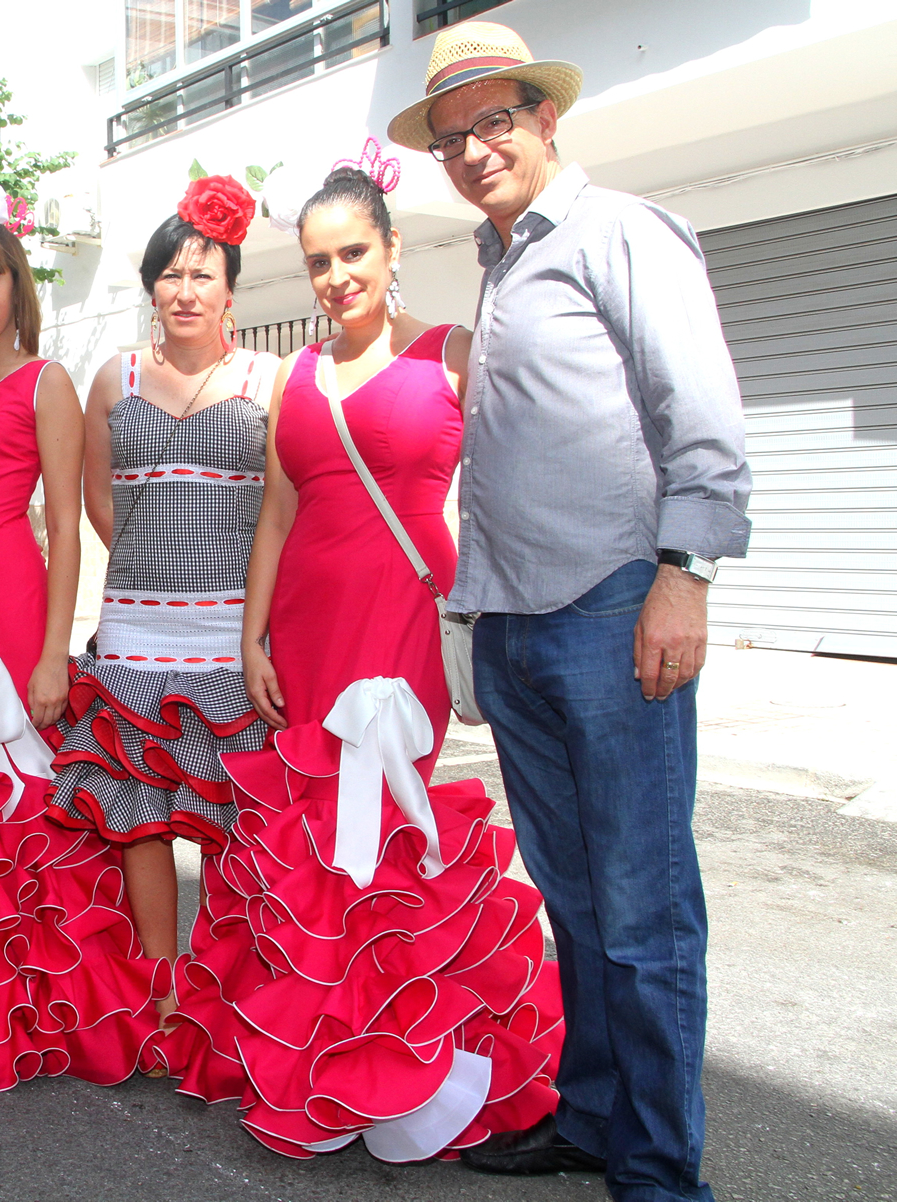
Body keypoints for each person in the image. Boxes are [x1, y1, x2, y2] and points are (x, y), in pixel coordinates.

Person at [386, 22, 751, 1200]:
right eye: (452, 137)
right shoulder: (500, 268)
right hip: (518, 625)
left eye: (495, 121)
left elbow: (699, 414)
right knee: (580, 902)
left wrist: (684, 573)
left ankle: (660, 1171)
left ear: (545, 117)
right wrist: (475, 627)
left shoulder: (620, 232)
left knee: (645, 912)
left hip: (612, 609)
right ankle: (595, 1119)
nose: (475, 149)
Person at [168, 162, 564, 1163]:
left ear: (390, 250)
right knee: (306, 838)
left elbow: (517, 481)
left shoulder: (453, 352)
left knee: (386, 836)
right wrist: (250, 634)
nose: (337, 275)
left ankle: (405, 1066)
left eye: (353, 253)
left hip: (403, 627)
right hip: (305, 630)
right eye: (318, 261)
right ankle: (317, 1066)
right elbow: (278, 511)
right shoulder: (296, 377)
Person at [0, 180, 160, 1092]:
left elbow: (67, 522)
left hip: (14, 618)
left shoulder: (45, 381)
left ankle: (48, 1009)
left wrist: (55, 652)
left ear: (16, 286)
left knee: (25, 816)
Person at [47, 176, 279, 1035]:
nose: (185, 291)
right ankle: (162, 988)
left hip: (231, 640)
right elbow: (100, 503)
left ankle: (224, 992)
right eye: (170, 275)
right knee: (141, 816)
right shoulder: (115, 378)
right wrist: (152, 572)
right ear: (152, 286)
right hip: (134, 637)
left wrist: (252, 620)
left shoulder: (269, 379)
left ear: (230, 290)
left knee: (225, 820)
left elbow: (281, 512)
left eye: (203, 275)